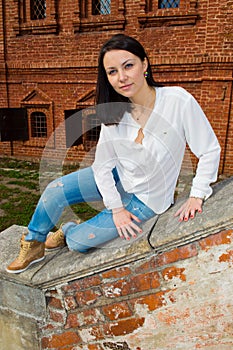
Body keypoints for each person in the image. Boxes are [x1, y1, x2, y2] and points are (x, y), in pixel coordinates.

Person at [6, 34, 221, 274]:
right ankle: (34, 243)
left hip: (147, 200)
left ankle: (67, 230)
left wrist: (197, 194)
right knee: (56, 189)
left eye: (128, 65)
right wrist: (116, 209)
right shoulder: (113, 113)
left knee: (78, 243)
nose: (122, 77)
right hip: (120, 175)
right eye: (112, 72)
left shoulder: (178, 100)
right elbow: (102, 166)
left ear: (145, 64)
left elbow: (209, 149)